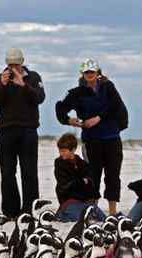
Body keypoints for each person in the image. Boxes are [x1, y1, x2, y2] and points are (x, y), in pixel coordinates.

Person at [55, 59, 128, 216]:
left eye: (92, 72)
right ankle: (93, 209)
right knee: (93, 175)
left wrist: (98, 118)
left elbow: (115, 105)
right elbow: (60, 108)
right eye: (87, 72)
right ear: (82, 74)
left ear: (97, 73)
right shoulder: (77, 92)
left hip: (112, 137)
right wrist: (69, 120)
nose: (89, 74)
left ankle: (113, 212)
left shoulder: (108, 87)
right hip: (91, 139)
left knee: (113, 175)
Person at [0, 48, 45, 218]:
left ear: (22, 62)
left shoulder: (34, 77)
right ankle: (10, 211)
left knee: (29, 171)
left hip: (28, 130)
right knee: (7, 172)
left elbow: (40, 98)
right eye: (10, 64)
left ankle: (30, 210)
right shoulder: (0, 79)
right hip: (6, 130)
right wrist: (3, 85)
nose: (13, 68)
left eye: (16, 64)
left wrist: (23, 85)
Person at [54, 133, 106, 222]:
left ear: (73, 150)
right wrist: (82, 181)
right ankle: (61, 215)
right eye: (60, 150)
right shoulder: (59, 163)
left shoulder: (82, 163)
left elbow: (89, 182)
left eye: (63, 151)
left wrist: (87, 186)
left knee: (102, 217)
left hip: (85, 200)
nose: (61, 153)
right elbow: (65, 184)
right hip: (68, 201)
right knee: (83, 218)